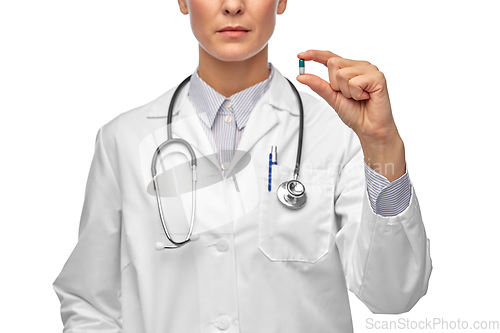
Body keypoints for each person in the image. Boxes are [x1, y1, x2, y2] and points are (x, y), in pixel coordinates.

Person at [53, 0, 432, 332]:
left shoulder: (340, 134)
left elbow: (393, 292)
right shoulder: (124, 139)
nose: (233, 5)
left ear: (282, 0)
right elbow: (90, 302)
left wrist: (382, 145)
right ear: (182, 1)